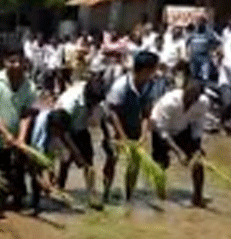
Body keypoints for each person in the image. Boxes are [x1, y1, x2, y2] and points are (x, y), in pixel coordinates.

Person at [0, 45, 38, 210]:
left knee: (17, 178)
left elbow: (26, 115)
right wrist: (5, 134)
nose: (17, 65)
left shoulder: (30, 86)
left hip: (16, 140)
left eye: (20, 61)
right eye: (12, 61)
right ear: (4, 62)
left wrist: (20, 138)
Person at [101, 51, 159, 202]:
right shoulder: (121, 85)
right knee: (112, 157)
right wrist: (123, 137)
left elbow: (146, 112)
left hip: (133, 121)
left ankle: (129, 197)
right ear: (145, 70)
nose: (155, 73)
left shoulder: (149, 85)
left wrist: (143, 135)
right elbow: (113, 113)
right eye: (153, 69)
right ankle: (106, 193)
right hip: (113, 122)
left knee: (135, 161)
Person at [150, 81, 209, 207]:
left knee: (198, 160)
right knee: (162, 164)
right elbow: (163, 131)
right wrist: (178, 153)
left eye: (194, 98)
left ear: (198, 97)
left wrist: (197, 146)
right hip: (160, 129)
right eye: (188, 96)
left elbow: (198, 126)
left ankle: (197, 197)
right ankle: (160, 196)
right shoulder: (170, 102)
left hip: (181, 128)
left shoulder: (203, 103)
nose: (190, 101)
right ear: (183, 91)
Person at [55, 78, 107, 206]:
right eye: (92, 102)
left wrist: (107, 137)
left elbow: (103, 118)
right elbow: (64, 132)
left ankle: (91, 194)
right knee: (66, 159)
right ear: (86, 95)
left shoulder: (98, 98)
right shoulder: (70, 102)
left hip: (81, 126)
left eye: (96, 103)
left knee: (89, 159)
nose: (94, 105)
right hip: (62, 126)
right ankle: (59, 189)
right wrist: (77, 154)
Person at [28, 108, 87, 212]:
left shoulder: (57, 120)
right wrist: (43, 180)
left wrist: (79, 158)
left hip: (42, 143)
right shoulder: (40, 130)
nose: (60, 135)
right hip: (27, 140)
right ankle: (34, 203)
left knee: (47, 171)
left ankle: (40, 198)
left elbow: (63, 139)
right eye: (59, 131)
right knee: (34, 172)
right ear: (54, 127)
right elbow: (36, 159)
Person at [187, 17, 220, 83]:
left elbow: (218, 42)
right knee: (194, 76)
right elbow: (186, 43)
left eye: (201, 23)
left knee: (205, 78)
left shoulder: (209, 33)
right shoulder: (192, 33)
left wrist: (214, 52)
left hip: (205, 57)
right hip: (194, 57)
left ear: (205, 24)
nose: (199, 24)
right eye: (198, 23)